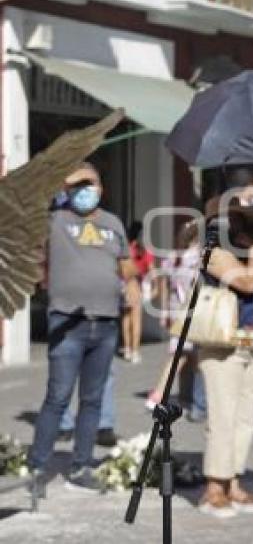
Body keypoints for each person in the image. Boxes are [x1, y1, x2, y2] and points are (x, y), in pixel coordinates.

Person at [28, 163, 134, 494]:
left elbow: (126, 266)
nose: (86, 189)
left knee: (92, 400)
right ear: (68, 187)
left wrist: (129, 285)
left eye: (92, 183)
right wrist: (69, 179)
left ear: (102, 189)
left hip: (105, 324)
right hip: (67, 323)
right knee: (57, 397)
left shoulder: (112, 223)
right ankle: (36, 469)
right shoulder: (55, 221)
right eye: (80, 184)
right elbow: (36, 197)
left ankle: (82, 464)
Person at [196, 163, 253, 518]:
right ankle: (213, 486)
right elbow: (248, 283)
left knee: (245, 416)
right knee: (223, 415)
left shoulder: (251, 239)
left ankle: (234, 481)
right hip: (223, 344)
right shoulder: (212, 242)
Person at [147, 220, 201, 411]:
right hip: (191, 313)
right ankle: (159, 393)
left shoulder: (172, 257)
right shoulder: (199, 258)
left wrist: (163, 312)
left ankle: (191, 396)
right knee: (179, 355)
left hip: (177, 310)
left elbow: (165, 288)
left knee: (193, 356)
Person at [121, 220, 154, 364]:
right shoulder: (144, 250)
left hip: (122, 285)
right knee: (136, 319)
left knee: (126, 318)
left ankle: (127, 349)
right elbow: (152, 272)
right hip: (136, 285)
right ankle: (135, 352)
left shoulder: (126, 249)